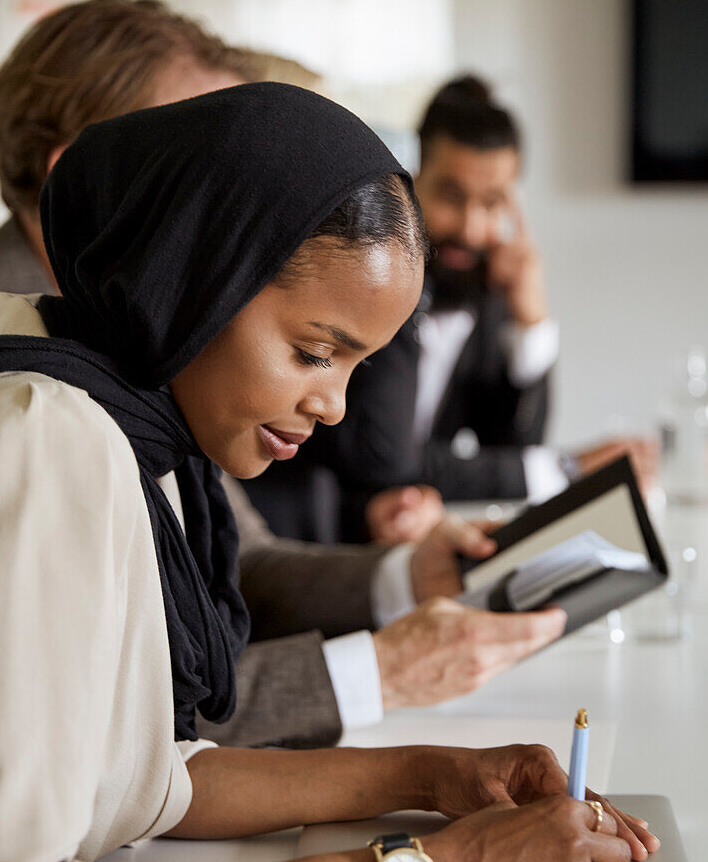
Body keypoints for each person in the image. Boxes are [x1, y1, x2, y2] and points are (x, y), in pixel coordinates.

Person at [0, 82, 657, 862]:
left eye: (355, 368)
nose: (334, 405)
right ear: (196, 277)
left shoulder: (133, 429)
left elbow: (138, 777)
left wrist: (429, 776)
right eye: (312, 352)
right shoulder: (45, 440)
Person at [0, 0, 567, 749]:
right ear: (104, 160)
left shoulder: (158, 360)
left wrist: (405, 580)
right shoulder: (23, 407)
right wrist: (380, 675)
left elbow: (235, 562)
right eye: (207, 148)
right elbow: (113, 727)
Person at [242, 74, 657, 541]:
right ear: (411, 179)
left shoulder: (486, 291)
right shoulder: (379, 279)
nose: (472, 227)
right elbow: (389, 457)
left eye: (493, 202)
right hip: (297, 535)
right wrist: (563, 468)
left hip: (399, 542)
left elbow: (512, 444)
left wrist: (531, 324)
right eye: (452, 197)